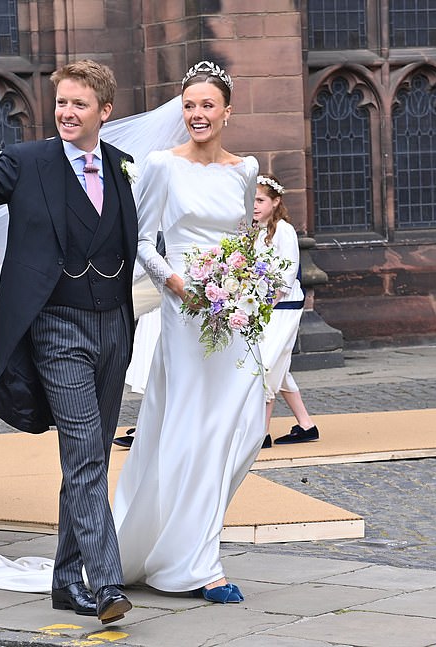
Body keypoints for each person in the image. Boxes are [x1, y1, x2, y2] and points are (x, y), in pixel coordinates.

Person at [0, 60, 135, 624]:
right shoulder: (26, 162)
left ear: (104, 112)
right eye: (61, 102)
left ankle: (65, 581)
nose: (66, 112)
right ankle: (107, 583)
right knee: (85, 453)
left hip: (113, 327)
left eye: (79, 104)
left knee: (85, 457)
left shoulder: (118, 166)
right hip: (55, 327)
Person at [111, 61, 262, 604]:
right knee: (189, 428)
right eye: (189, 106)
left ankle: (186, 545)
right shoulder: (161, 165)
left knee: (239, 427)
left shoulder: (245, 170)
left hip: (235, 313)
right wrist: (178, 285)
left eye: (207, 105)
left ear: (227, 111)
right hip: (185, 310)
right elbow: (144, 241)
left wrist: (248, 285)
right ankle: (195, 564)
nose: (197, 115)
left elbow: (245, 240)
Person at [252, 173, 321, 447]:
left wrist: (270, 296)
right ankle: (306, 424)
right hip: (262, 307)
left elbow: (289, 270)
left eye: (260, 200)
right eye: (252, 200)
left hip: (283, 306)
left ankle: (261, 432)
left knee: (267, 364)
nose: (254, 205)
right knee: (278, 365)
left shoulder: (284, 230)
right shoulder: (254, 230)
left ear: (275, 201)